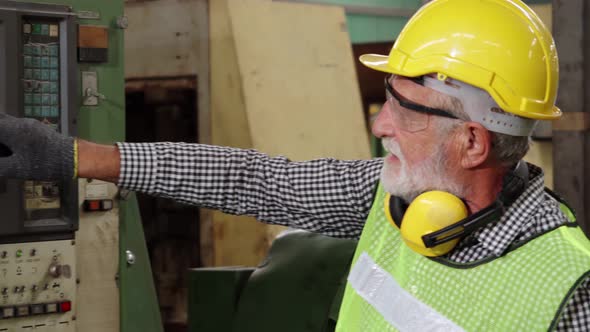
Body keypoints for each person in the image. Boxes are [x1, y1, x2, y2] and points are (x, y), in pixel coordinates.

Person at [0, 0, 588, 330]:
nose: (380, 125)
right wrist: (75, 156)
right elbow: (252, 179)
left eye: (403, 111)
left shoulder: (567, 290)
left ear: (472, 144)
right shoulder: (386, 199)